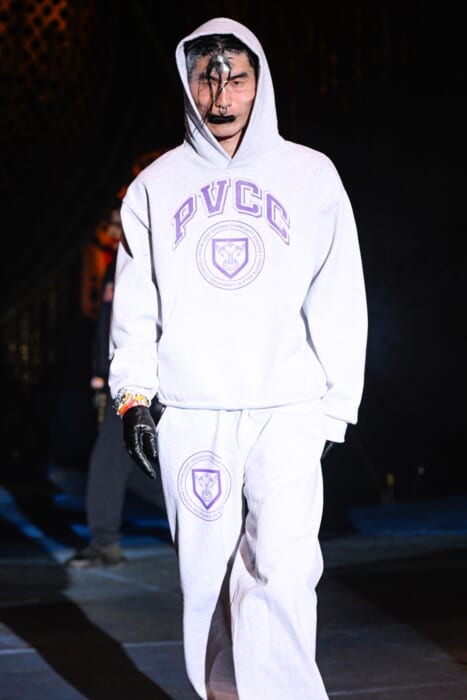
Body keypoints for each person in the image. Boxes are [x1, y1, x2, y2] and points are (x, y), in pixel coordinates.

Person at [108, 17, 367, 699]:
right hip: (193, 411)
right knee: (209, 585)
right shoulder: (155, 186)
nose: (220, 97)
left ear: (261, 82)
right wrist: (133, 397)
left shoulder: (310, 175)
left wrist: (336, 407)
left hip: (288, 407)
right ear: (187, 81)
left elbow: (339, 291)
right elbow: (136, 303)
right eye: (206, 78)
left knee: (282, 572)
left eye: (237, 79)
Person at [66, 204, 165, 568]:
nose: (110, 230)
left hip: (144, 383)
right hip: (119, 381)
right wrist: (99, 373)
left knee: (110, 461)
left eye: (115, 223)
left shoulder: (150, 263)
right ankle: (205, 513)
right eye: (109, 223)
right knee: (128, 465)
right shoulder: (115, 266)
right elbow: (108, 327)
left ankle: (105, 543)